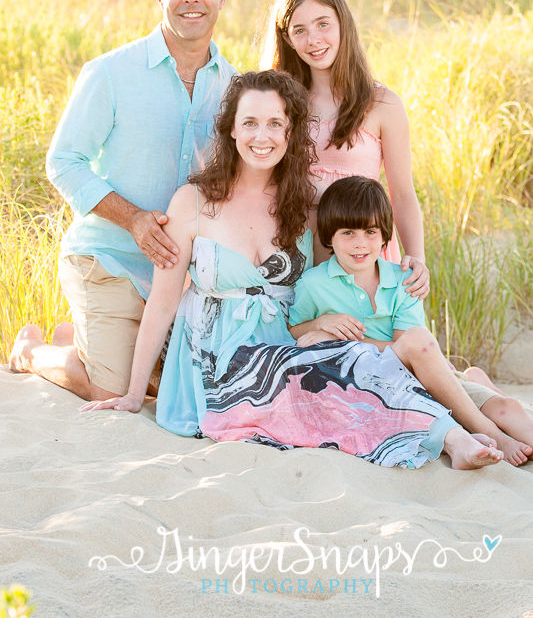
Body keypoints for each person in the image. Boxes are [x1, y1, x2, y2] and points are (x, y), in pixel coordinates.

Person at [81, 70, 502, 471]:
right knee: (325, 382)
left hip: (288, 344)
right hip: (217, 360)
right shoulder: (191, 201)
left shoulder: (304, 204)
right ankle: (449, 434)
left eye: (274, 124)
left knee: (357, 366)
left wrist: (395, 277)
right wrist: (135, 394)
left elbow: (338, 267)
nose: (261, 136)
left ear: (289, 132)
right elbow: (162, 301)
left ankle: (453, 438)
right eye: (249, 123)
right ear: (231, 129)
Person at [9, 0, 237, 402]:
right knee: (108, 387)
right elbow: (63, 161)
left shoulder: (235, 88)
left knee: (174, 386)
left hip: (177, 278)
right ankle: (32, 350)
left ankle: (80, 339)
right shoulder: (111, 73)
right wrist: (133, 219)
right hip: (106, 259)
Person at [288, 175, 532, 466]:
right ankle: (489, 430)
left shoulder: (403, 281)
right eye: (347, 233)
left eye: (370, 232)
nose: (360, 244)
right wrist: (320, 323)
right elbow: (295, 329)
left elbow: (409, 351)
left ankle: (483, 399)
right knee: (433, 362)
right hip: (379, 384)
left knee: (508, 409)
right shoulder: (313, 284)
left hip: (425, 375)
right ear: (329, 235)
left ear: (384, 236)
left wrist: (340, 338)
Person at [262, 0, 429, 297]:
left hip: (359, 254)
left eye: (323, 24)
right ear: (287, 38)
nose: (314, 40)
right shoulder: (279, 102)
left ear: (342, 23)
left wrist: (417, 258)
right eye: (300, 30)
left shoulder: (382, 104)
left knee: (368, 342)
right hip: (295, 251)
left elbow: (403, 193)